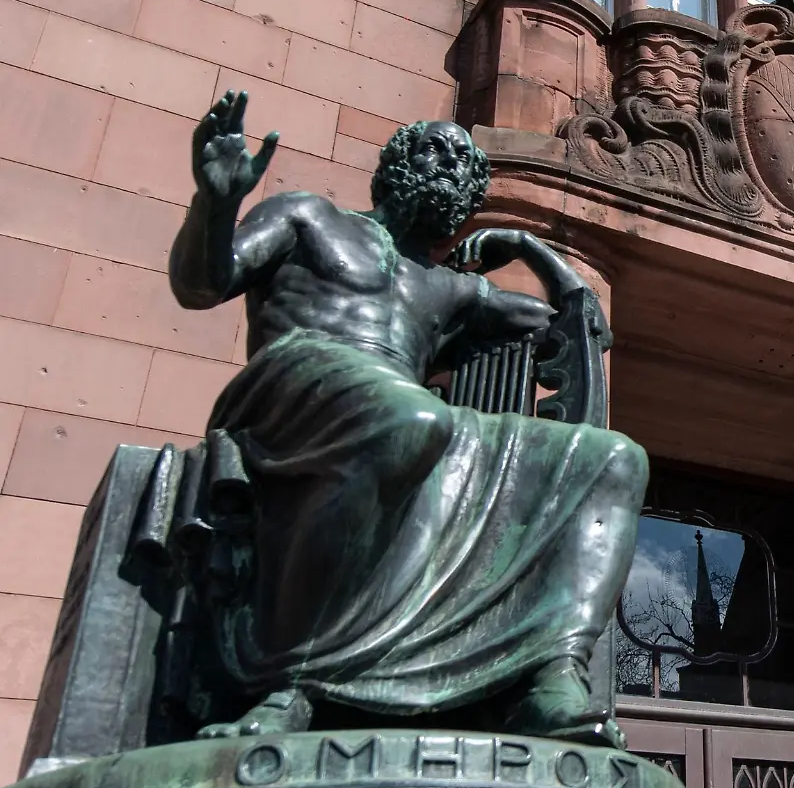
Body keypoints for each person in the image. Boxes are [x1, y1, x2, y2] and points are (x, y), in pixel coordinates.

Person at [168, 90, 648, 745]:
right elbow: (201, 284)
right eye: (437, 149)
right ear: (395, 162)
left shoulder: (451, 288)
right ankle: (293, 681)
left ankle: (551, 677)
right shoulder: (309, 217)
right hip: (290, 381)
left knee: (614, 459)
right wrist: (217, 203)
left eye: (465, 164)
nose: (452, 166)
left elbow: (579, 318)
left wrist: (529, 247)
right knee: (413, 420)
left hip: (395, 407)